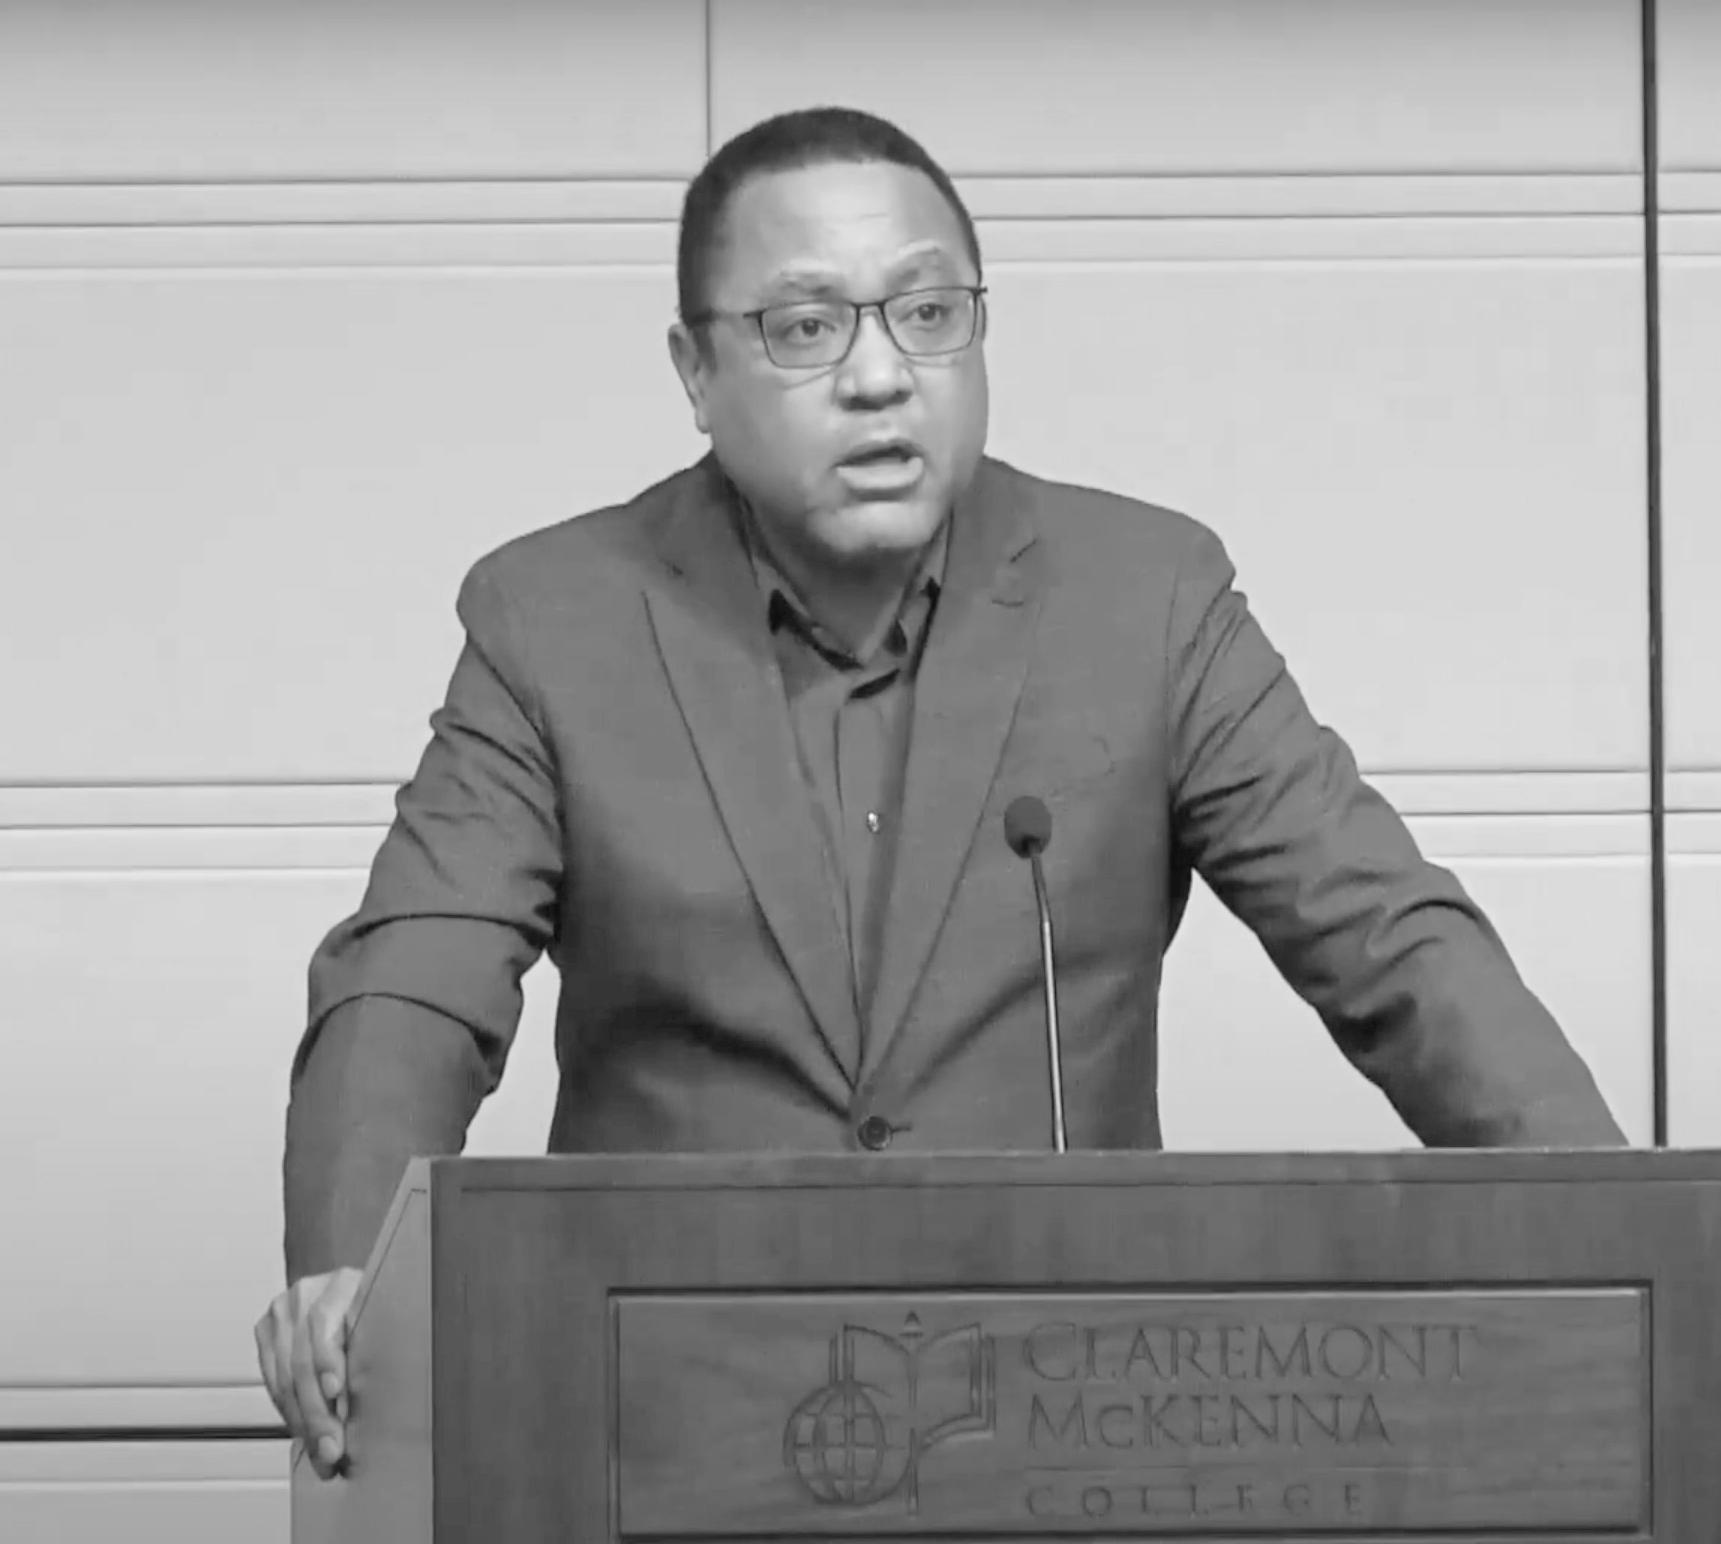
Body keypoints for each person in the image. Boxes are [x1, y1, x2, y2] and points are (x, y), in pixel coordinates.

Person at [255, 105, 1626, 1479]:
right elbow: (417, 979)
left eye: (925, 314)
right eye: (805, 327)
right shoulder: (556, 619)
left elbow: (1383, 937)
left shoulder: (1142, 598)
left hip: (1066, 1420)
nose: (879, 376)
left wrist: (1620, 1232)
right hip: (657, 1408)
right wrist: (354, 1261)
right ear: (694, 371)